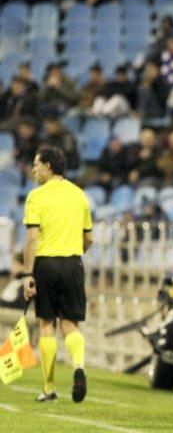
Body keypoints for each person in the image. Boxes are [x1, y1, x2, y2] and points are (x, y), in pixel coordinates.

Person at [21, 147, 93, 403]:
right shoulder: (79, 195)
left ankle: (49, 387)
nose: (33, 169)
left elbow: (32, 238)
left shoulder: (36, 197)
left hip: (46, 265)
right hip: (73, 263)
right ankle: (79, 367)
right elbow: (89, 238)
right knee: (71, 324)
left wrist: (28, 274)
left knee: (47, 324)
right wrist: (76, 251)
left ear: (49, 166)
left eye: (36, 164)